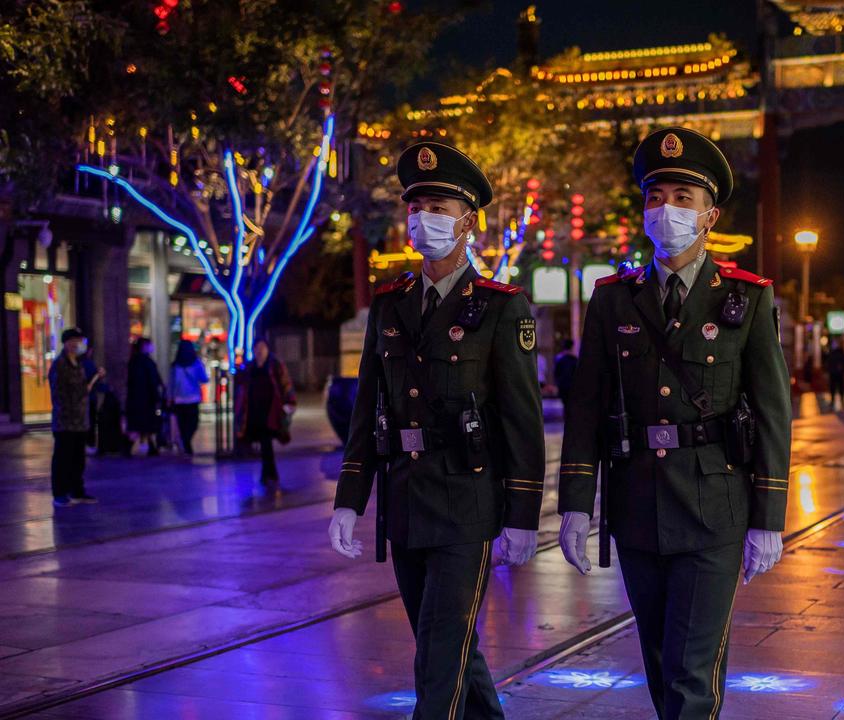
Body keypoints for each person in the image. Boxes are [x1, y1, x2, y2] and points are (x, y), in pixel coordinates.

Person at [557, 127, 790, 719]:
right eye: (655, 197)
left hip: (715, 508)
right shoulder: (614, 298)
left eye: (682, 198)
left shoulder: (746, 297)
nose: (666, 210)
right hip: (637, 505)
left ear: (710, 214)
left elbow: (771, 412)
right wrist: (577, 503)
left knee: (690, 676)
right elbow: (587, 406)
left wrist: (768, 519)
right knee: (662, 666)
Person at [328, 141, 543, 720]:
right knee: (448, 646)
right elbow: (367, 408)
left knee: (439, 658)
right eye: (417, 205)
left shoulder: (503, 308)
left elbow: (522, 421)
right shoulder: (390, 304)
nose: (426, 218)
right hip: (405, 502)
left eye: (441, 207)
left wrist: (523, 517)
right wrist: (351, 499)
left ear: (470, 222)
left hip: (467, 503)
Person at [49, 327, 103, 506]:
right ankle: (60, 494)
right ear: (66, 343)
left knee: (78, 460)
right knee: (63, 458)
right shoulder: (60, 364)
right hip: (65, 420)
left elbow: (82, 388)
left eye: (80, 341)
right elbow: (60, 393)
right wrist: (84, 390)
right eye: (74, 341)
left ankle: (77, 491)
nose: (77, 345)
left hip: (80, 420)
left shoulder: (78, 363)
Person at [236, 339, 296, 485]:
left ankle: (269, 474)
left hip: (271, 410)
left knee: (266, 439)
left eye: (262, 347)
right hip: (254, 410)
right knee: (264, 441)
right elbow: (242, 384)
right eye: (257, 348)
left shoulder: (275, 365)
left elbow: (285, 383)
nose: (259, 351)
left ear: (268, 349)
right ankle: (269, 473)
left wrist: (289, 402)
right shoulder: (250, 366)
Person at [169, 340, 209, 455]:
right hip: (193, 398)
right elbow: (204, 379)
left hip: (179, 399)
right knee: (193, 422)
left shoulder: (175, 365)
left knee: (183, 423)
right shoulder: (196, 363)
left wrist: (170, 396)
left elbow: (172, 383)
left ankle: (185, 441)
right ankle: (187, 441)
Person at [125, 337, 164, 455]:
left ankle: (151, 447)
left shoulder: (134, 360)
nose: (152, 347)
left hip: (136, 399)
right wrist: (157, 396)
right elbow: (152, 381)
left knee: (143, 425)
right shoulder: (146, 362)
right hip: (145, 400)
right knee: (143, 424)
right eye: (150, 345)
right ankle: (128, 447)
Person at [826, 341, 844, 410]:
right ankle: (834, 400)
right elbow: (829, 362)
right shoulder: (832, 353)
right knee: (834, 387)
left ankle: (841, 400)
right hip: (834, 372)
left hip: (838, 373)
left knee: (840, 387)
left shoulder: (840, 353)